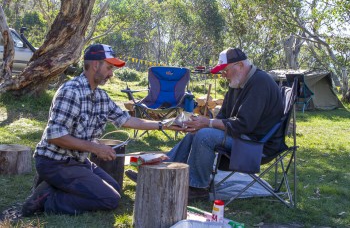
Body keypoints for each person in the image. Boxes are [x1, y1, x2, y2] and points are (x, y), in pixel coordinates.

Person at [21, 44, 182, 216]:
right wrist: (96, 148)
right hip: (54, 162)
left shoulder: (101, 97)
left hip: (78, 161)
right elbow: (54, 136)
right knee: (109, 199)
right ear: (95, 65)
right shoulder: (71, 91)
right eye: (109, 67)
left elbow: (127, 119)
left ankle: (54, 186)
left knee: (115, 189)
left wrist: (163, 124)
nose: (111, 74)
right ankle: (47, 200)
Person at [125, 47, 284, 199]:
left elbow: (243, 125)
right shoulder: (237, 84)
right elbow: (222, 116)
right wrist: (198, 123)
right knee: (195, 132)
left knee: (205, 136)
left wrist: (207, 123)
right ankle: (161, 172)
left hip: (256, 144)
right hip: (242, 135)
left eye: (225, 70)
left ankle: (198, 187)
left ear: (240, 65)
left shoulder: (259, 82)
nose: (223, 75)